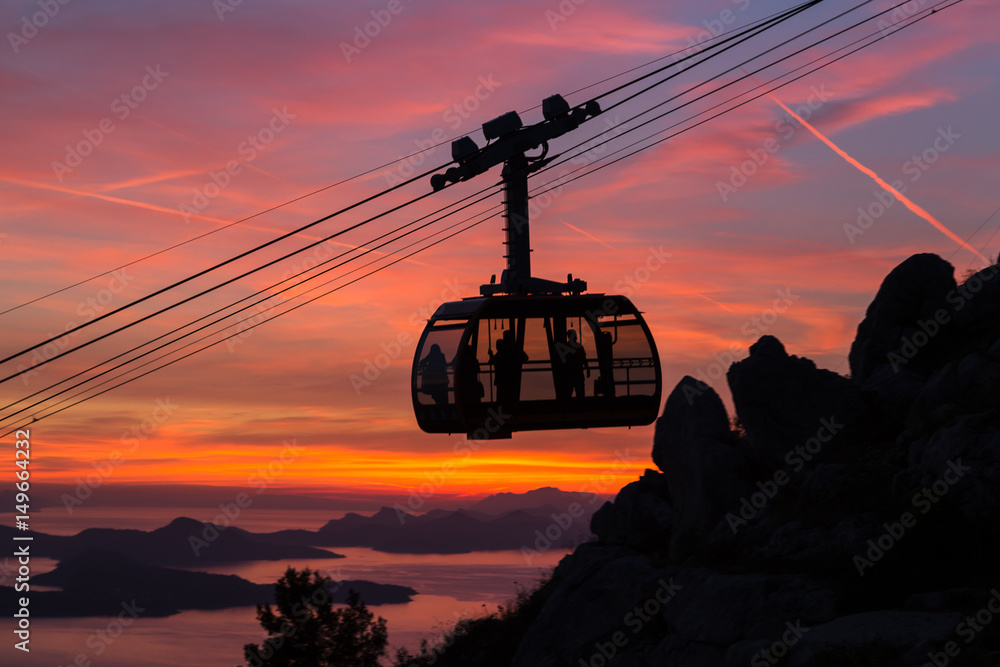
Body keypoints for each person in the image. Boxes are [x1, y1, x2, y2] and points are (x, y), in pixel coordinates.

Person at [563, 329, 590, 399]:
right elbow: (584, 359)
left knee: (568, 393)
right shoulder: (578, 346)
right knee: (580, 393)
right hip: (578, 373)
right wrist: (587, 369)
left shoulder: (566, 347)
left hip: (570, 374)